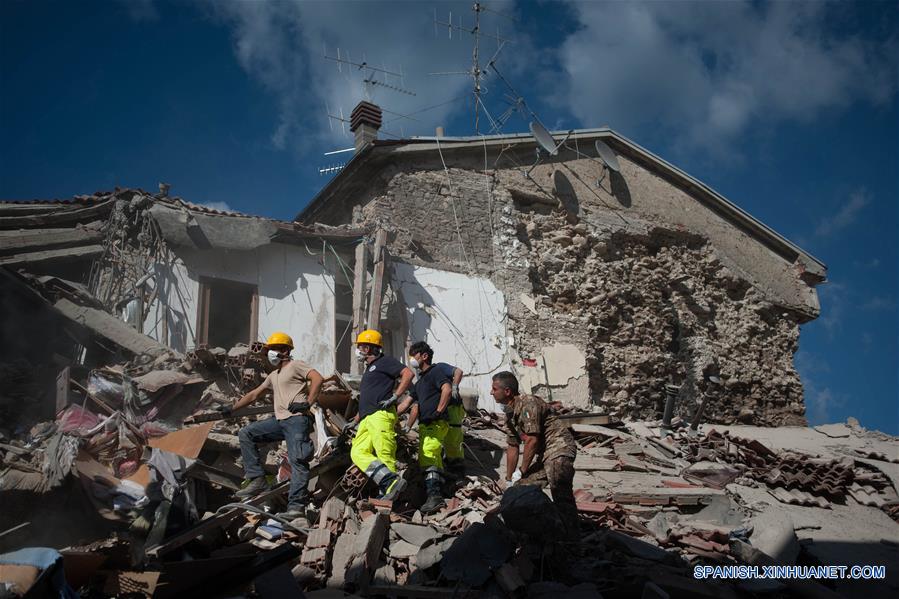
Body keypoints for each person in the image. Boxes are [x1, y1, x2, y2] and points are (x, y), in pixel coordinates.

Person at [227, 332, 323, 521]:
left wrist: (307, 403)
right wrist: (231, 409)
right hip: (281, 422)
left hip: (297, 420)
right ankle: (257, 479)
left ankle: (296, 507)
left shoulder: (296, 365)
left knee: (298, 462)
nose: (270, 353)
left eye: (274, 349)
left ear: (285, 351)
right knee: (247, 433)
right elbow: (254, 394)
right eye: (269, 349)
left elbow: (317, 379)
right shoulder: (273, 375)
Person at [490, 371, 579, 537]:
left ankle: (572, 538)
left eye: (494, 389)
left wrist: (522, 470)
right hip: (545, 455)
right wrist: (509, 479)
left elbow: (532, 440)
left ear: (507, 391)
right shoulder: (510, 415)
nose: (491, 392)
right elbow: (512, 446)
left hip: (559, 448)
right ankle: (539, 526)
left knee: (560, 492)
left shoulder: (528, 403)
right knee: (522, 487)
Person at [350, 329, 413, 500]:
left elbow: (408, 374)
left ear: (368, 348)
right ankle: (389, 481)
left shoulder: (385, 362)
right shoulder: (369, 369)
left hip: (381, 415)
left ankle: (390, 491)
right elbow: (368, 398)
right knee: (357, 452)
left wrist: (396, 396)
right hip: (366, 418)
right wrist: (355, 420)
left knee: (384, 454)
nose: (358, 350)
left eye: (360, 346)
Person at [402, 342, 453, 513]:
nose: (411, 359)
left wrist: (438, 411)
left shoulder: (435, 372)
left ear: (424, 356)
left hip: (434, 422)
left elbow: (447, 389)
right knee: (434, 458)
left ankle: (434, 496)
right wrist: (405, 426)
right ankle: (439, 491)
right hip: (426, 424)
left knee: (428, 455)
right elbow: (410, 406)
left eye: (414, 355)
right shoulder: (420, 382)